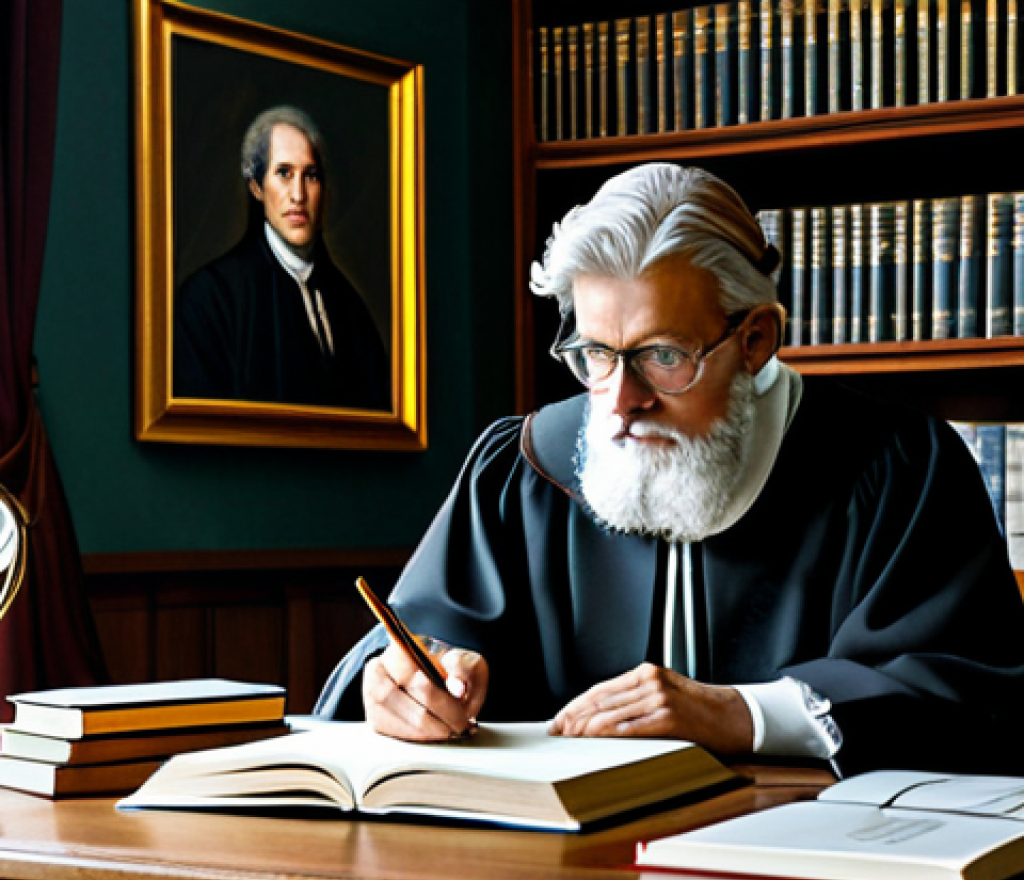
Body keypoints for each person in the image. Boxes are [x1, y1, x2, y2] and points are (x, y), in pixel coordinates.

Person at [316, 163, 1024, 777]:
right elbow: (415, 644)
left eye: (663, 355)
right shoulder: (524, 466)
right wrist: (411, 686)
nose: (621, 403)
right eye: (595, 353)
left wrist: (738, 714)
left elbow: (973, 696)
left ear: (754, 340)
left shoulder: (899, 467)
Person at [174, 106, 390, 410]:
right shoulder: (210, 298)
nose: (298, 195)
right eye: (284, 174)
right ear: (256, 186)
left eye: (311, 176)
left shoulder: (351, 311)